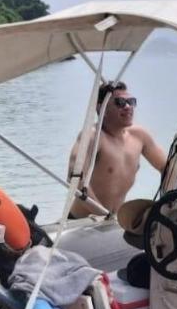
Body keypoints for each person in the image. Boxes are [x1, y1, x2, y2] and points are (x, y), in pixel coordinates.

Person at [69, 81, 167, 217]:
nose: (128, 107)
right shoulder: (93, 136)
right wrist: (102, 214)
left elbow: (168, 168)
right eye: (120, 102)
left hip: (113, 221)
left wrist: (167, 201)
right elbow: (74, 178)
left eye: (131, 102)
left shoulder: (140, 136)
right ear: (100, 108)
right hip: (81, 222)